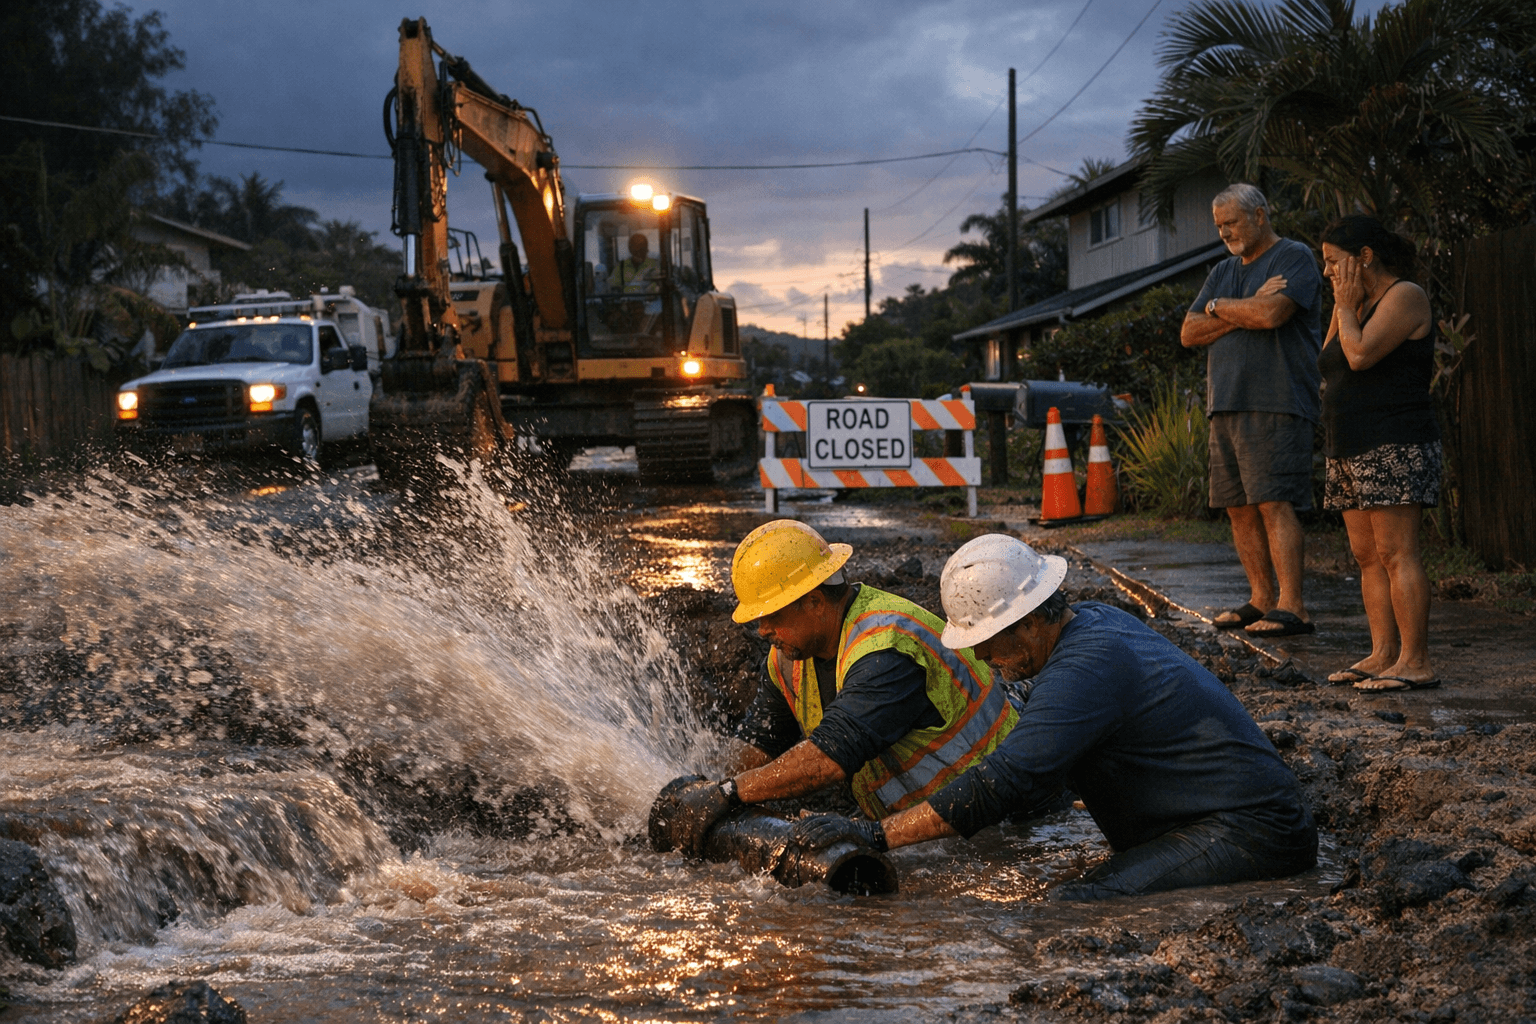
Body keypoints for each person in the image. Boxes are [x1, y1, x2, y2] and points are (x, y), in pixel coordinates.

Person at [789, 534, 1318, 900]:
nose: (978, 658)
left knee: (1075, 903)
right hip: (1213, 819)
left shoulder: (1084, 668)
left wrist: (874, 837)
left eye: (985, 642)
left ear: (1026, 621)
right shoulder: (1091, 625)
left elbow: (1006, 782)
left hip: (1250, 831)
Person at [656, 520, 1018, 856]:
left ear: (814, 602)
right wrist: (713, 793)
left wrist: (727, 794)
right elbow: (758, 742)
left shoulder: (886, 646)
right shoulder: (788, 658)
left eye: (772, 615)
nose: (763, 629)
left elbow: (827, 759)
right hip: (924, 831)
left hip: (1006, 818)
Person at [1182, 183, 1324, 638]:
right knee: (1238, 507)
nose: (1224, 232)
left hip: (1276, 399)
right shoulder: (1223, 269)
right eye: (1219, 225)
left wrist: (1218, 308)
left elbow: (1271, 316)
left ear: (1260, 214)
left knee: (1272, 501)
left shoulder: (1293, 257)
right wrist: (1236, 306)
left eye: (1232, 223)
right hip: (1225, 402)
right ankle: (1261, 599)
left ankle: (1293, 606)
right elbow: (1188, 332)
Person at [1316, 216, 1441, 692]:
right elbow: (1328, 356)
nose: (1327, 271)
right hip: (1347, 443)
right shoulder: (1351, 302)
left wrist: (1346, 307)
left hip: (1394, 441)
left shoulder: (1405, 296)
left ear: (1364, 255)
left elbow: (1360, 354)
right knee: (1366, 555)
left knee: (1395, 552)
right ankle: (1383, 652)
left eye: (1332, 261)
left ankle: (1416, 660)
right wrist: (1344, 305)